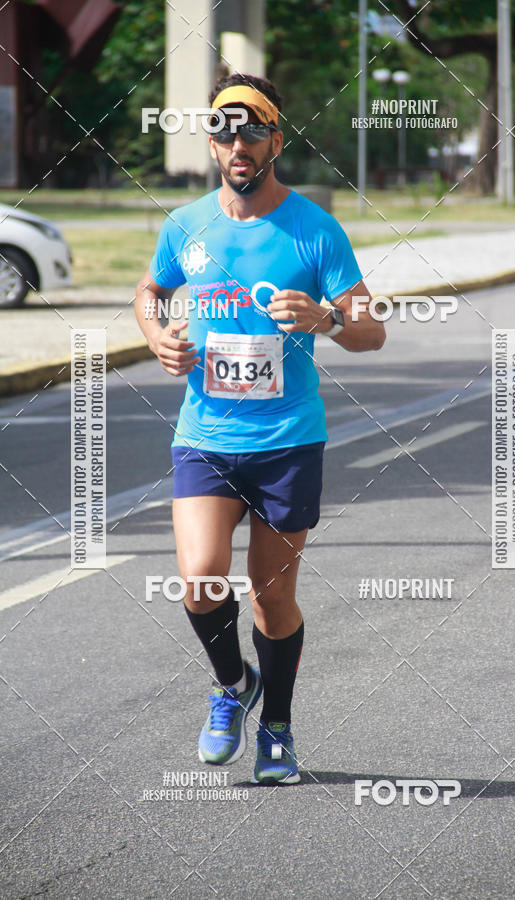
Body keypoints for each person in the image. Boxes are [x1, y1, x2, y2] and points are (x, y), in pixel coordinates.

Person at [135, 72, 385, 785]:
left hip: (288, 441)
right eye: (222, 131)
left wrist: (330, 318)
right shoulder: (184, 224)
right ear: (212, 144)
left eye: (250, 131)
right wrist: (157, 338)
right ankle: (230, 686)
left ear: (276, 139)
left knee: (272, 596)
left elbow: (373, 331)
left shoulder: (314, 228)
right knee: (198, 581)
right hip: (205, 436)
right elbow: (150, 293)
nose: (236, 144)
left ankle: (277, 726)